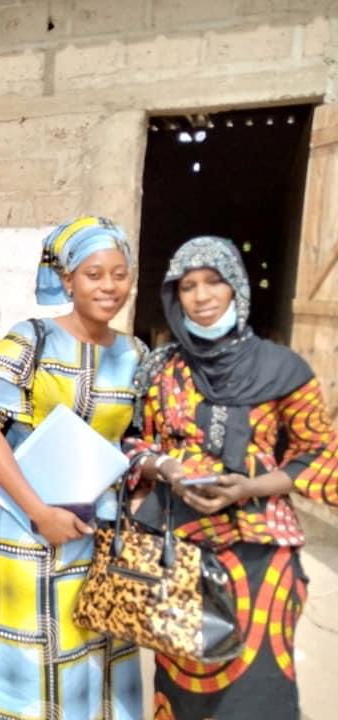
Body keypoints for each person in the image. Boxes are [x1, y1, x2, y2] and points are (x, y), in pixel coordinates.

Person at [129, 236, 338, 719]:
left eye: (214, 281)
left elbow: (320, 455)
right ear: (174, 296)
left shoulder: (283, 369)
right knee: (181, 681)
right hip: (179, 550)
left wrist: (252, 486)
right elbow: (135, 444)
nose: (201, 296)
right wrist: (168, 468)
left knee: (259, 683)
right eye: (188, 286)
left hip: (260, 551)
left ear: (236, 287)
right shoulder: (162, 370)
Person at [0, 216, 145, 720]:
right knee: (38, 661)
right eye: (94, 274)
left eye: (119, 274)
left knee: (104, 653)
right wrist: (40, 512)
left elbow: (135, 439)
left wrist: (136, 501)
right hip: (30, 531)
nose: (109, 286)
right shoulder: (32, 341)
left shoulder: (135, 354)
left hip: (104, 533)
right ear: (68, 280)